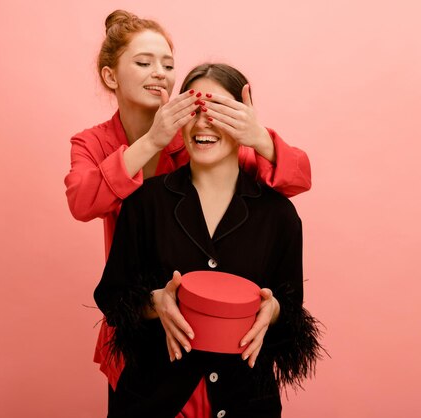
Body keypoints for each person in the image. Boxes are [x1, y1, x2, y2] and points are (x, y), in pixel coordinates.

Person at [64, 9, 313, 416]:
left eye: (168, 64)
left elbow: (295, 179)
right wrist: (152, 141)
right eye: (143, 63)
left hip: (228, 362)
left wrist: (259, 137)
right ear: (111, 77)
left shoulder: (202, 141)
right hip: (141, 332)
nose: (159, 73)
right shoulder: (95, 144)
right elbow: (83, 201)